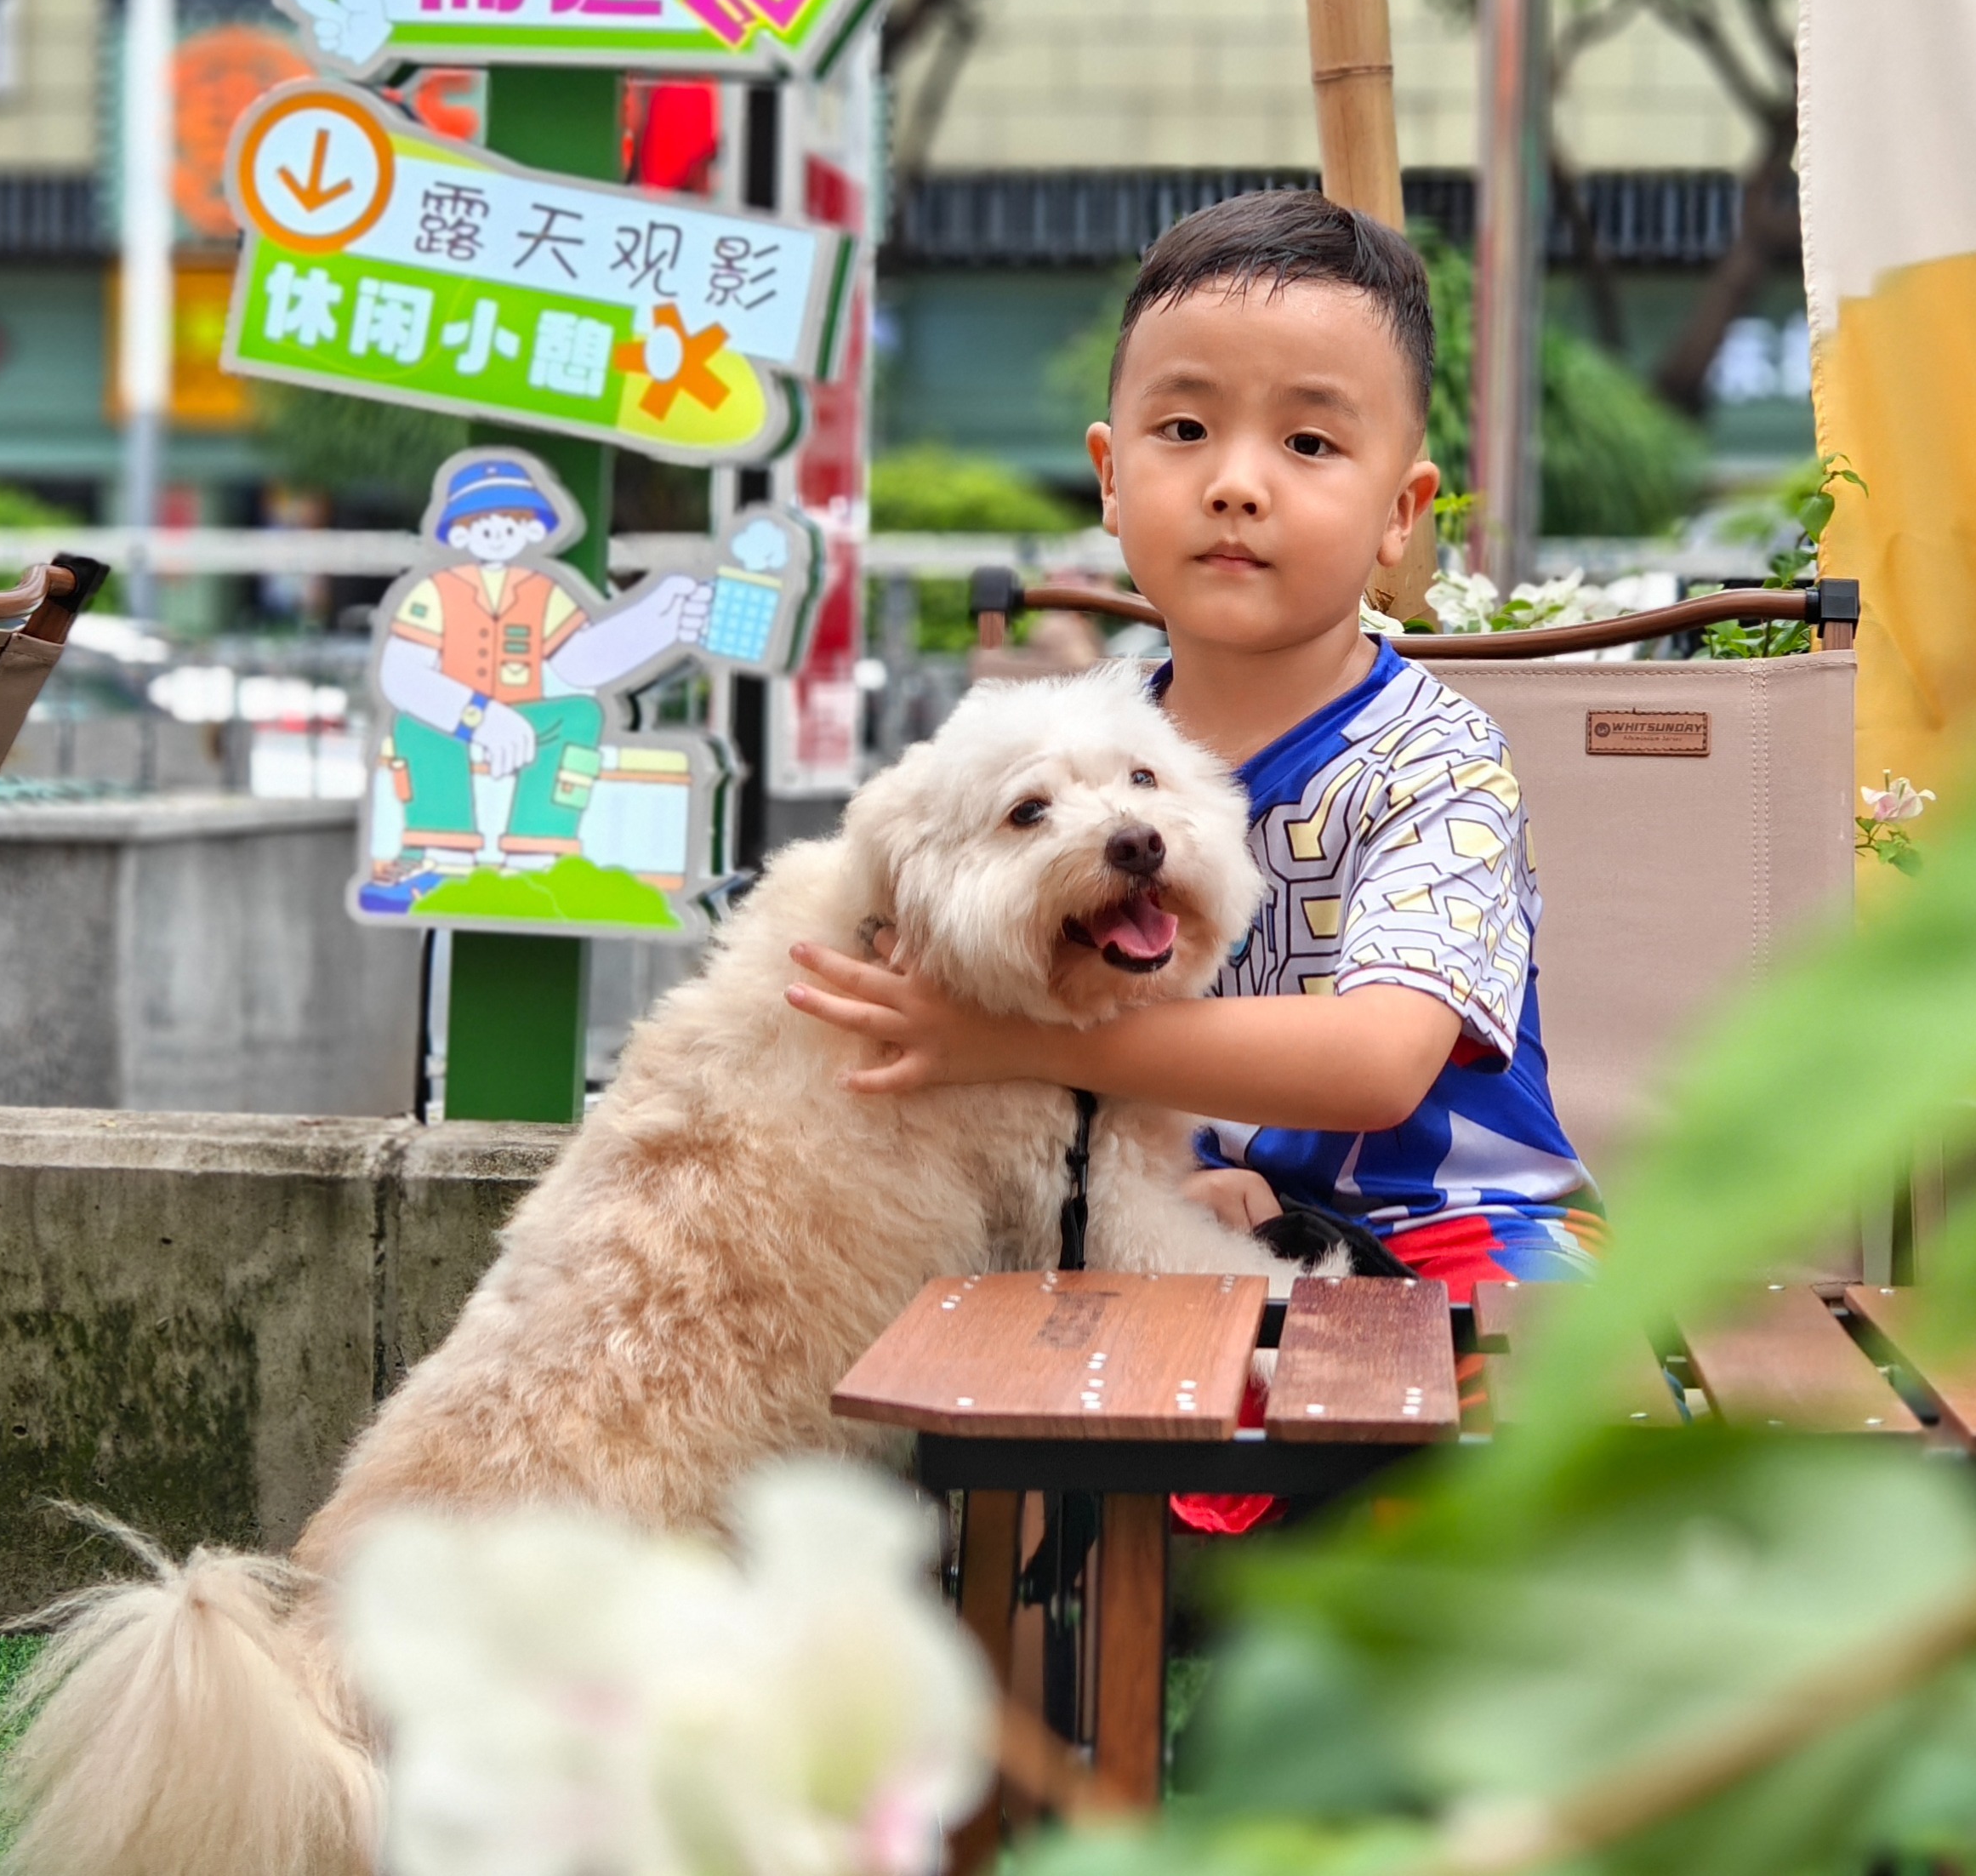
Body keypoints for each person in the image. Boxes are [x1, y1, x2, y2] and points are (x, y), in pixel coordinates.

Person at [787, 188, 1598, 1305]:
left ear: (1400, 514)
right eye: (1183, 430)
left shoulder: (1434, 760)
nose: (1233, 483)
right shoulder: (1078, 733)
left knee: (1539, 1407)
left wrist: (1021, 1046)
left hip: (1455, 1231)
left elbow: (1375, 1059)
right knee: (999, 1351)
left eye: (1308, 441)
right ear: (1111, 477)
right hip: (1173, 1208)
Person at [363, 458, 709, 911]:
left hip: (528, 719)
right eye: (481, 522)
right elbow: (403, 675)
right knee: (416, 727)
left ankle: (538, 853)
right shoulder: (435, 592)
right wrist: (478, 717)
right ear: (460, 534)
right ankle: (440, 855)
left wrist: (658, 625)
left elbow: (582, 663)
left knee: (582, 714)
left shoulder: (542, 591)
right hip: (451, 724)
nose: (497, 530)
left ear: (530, 531)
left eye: (513, 520)